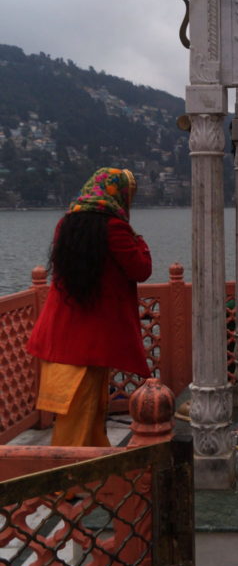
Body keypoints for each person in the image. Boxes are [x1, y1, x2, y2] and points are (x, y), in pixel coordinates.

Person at [27, 167, 152, 446]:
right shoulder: (115, 227)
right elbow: (141, 269)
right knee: (86, 409)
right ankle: (65, 483)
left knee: (77, 410)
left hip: (61, 330)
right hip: (93, 336)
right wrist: (140, 239)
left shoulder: (66, 224)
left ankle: (94, 466)